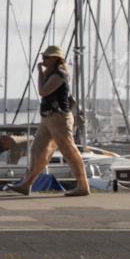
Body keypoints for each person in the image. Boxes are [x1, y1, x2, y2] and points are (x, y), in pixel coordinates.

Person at [10, 45, 90, 197]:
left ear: (55, 59)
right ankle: (27, 184)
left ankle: (83, 186)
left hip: (59, 118)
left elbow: (43, 91)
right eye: (43, 57)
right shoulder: (51, 74)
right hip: (48, 118)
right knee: (37, 151)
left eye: (47, 57)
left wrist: (40, 72)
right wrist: (42, 73)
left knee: (69, 151)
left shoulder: (59, 75)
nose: (43, 59)